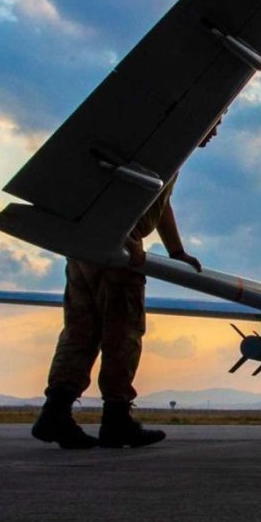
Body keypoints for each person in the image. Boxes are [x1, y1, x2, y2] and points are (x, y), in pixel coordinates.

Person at [32, 121, 219, 449]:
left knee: (79, 333)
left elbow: (160, 203)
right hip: (116, 252)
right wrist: (127, 234)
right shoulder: (162, 149)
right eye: (215, 122)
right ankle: (116, 419)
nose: (215, 132)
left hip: (83, 246)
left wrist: (176, 251)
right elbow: (124, 193)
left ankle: (55, 411)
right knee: (123, 335)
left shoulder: (152, 145)